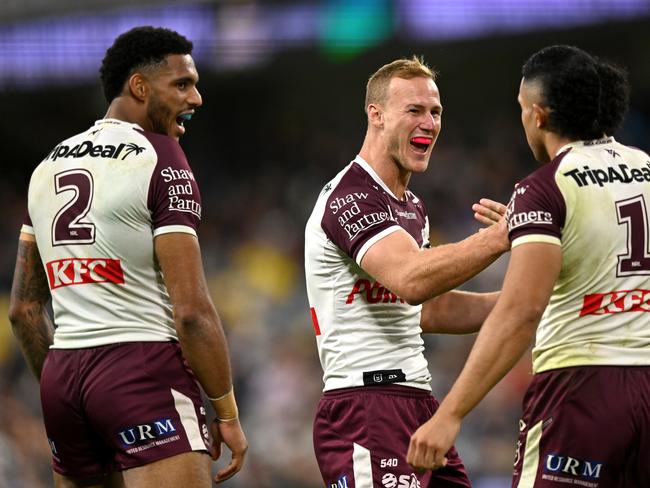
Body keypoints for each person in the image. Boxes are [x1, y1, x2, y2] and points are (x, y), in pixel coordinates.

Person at [8, 26, 247, 487]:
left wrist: (71, 397)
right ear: (139, 86)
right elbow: (193, 312)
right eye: (182, 84)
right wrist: (227, 413)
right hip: (141, 371)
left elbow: (22, 309)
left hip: (62, 380)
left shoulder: (47, 166)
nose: (196, 98)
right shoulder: (161, 155)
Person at [407, 45, 650, 488]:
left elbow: (521, 312)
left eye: (521, 109)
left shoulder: (544, 188)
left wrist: (450, 414)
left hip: (582, 391)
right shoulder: (646, 168)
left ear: (538, 115)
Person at [304, 56, 511, 488]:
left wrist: (524, 305)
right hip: (365, 408)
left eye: (435, 112)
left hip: (417, 403)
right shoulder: (352, 197)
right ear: (375, 114)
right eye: (414, 110)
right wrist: (501, 236)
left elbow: (429, 309)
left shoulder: (411, 208)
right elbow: (412, 280)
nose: (430, 122)